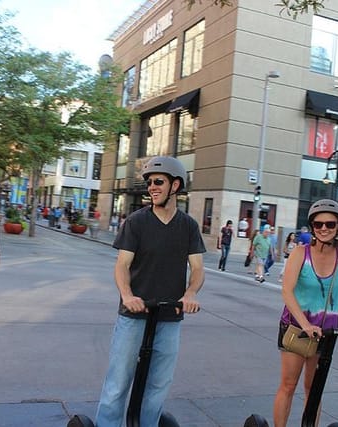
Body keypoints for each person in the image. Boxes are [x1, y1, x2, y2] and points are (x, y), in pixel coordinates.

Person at [94, 156, 205, 427]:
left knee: (157, 387)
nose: (152, 187)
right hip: (134, 314)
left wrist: (190, 293)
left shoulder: (188, 226)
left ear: (175, 185)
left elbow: (198, 268)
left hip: (169, 316)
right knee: (117, 384)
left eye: (158, 182)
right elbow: (122, 265)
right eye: (149, 183)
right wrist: (127, 294)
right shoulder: (136, 222)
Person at [273, 199, 338, 427]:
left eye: (330, 224)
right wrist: (305, 324)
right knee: (288, 385)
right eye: (318, 224)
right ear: (312, 227)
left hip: (326, 333)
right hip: (297, 329)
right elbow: (287, 291)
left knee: (313, 390)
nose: (324, 228)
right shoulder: (300, 253)